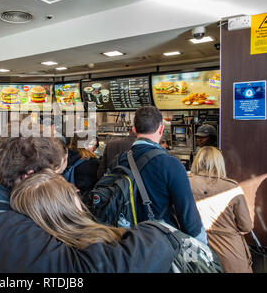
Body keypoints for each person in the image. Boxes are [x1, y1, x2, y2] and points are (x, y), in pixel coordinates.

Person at [0, 134, 179, 273]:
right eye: (55, 177)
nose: (60, 185)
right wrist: (158, 234)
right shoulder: (12, 228)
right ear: (29, 177)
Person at [116, 106, 207, 243]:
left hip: (125, 243)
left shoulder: (118, 161)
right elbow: (188, 216)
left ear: (134, 130)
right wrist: (203, 246)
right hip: (158, 245)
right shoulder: (171, 164)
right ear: (161, 129)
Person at [11, 168, 128, 250]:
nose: (77, 191)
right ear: (67, 204)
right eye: (71, 190)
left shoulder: (36, 252)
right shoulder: (115, 241)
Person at [189, 146, 253, 273]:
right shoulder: (231, 187)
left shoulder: (184, 183)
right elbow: (246, 226)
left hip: (195, 250)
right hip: (230, 253)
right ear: (219, 162)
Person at [64, 133, 100, 201]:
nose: (93, 148)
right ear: (85, 145)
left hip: (64, 196)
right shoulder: (92, 162)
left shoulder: (64, 156)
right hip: (82, 199)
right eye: (92, 144)